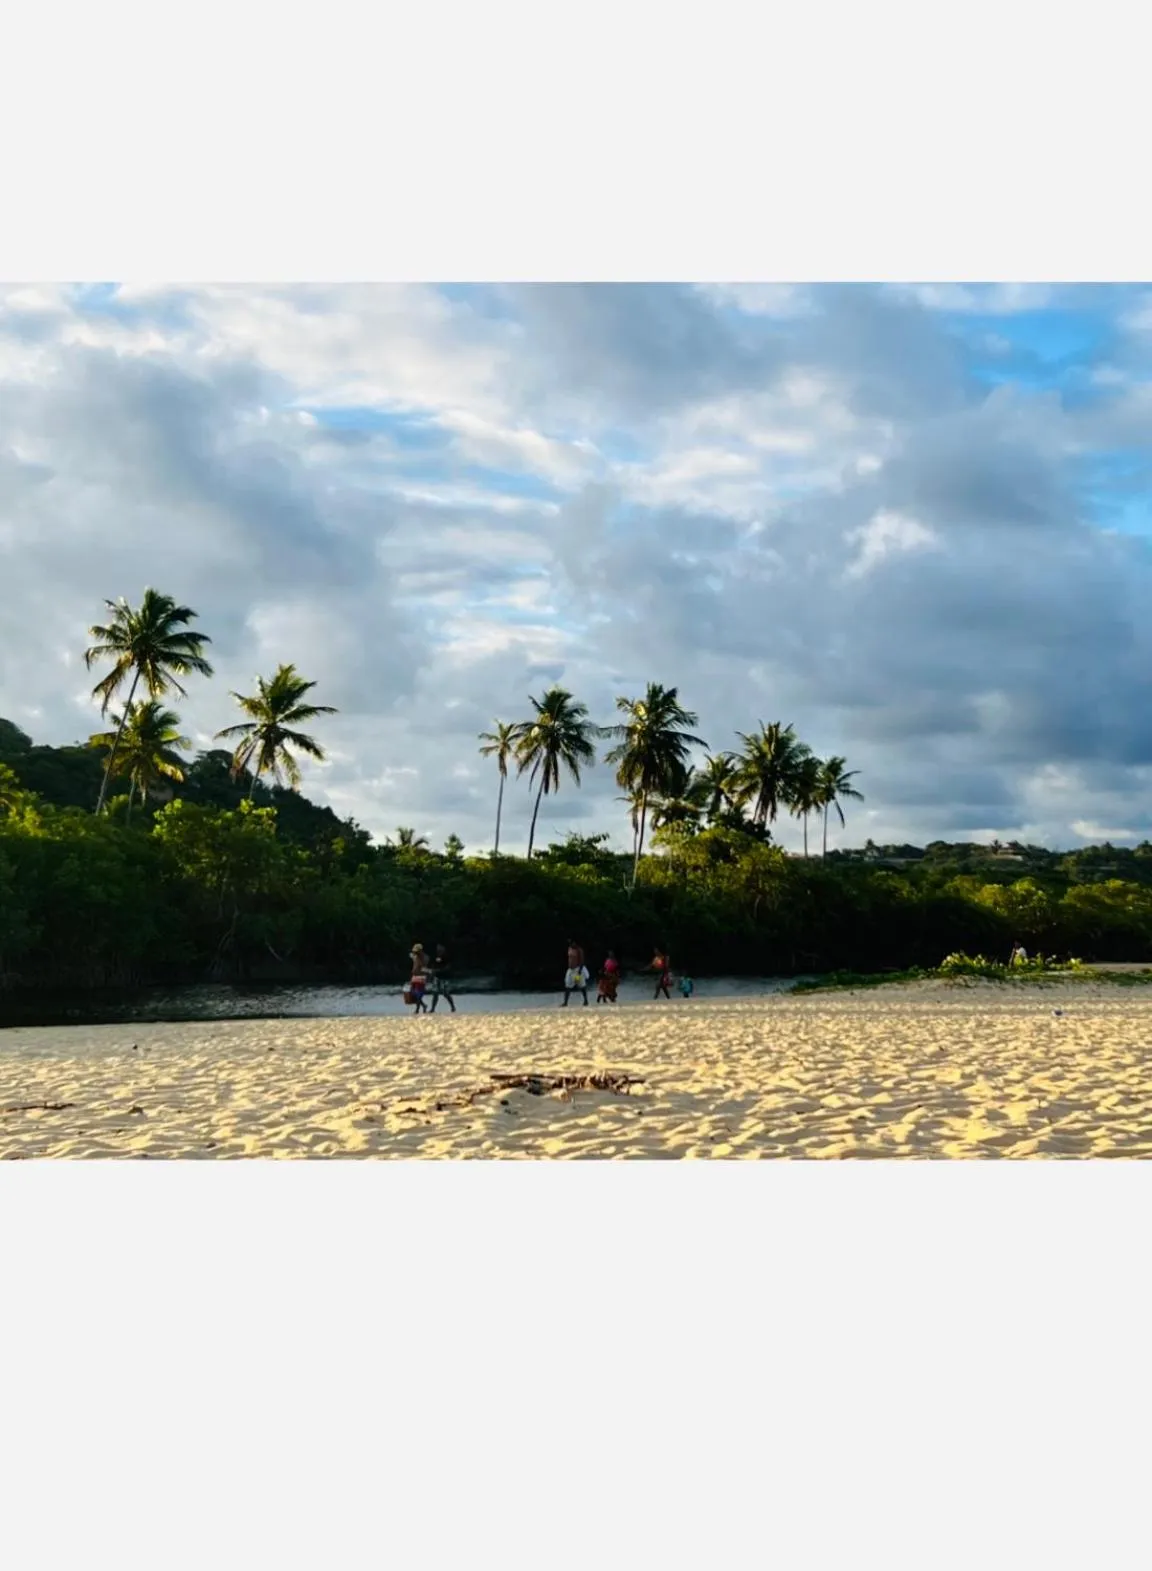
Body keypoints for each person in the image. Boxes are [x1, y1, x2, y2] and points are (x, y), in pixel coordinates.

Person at [428, 942, 457, 1014]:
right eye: (438, 948)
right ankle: (432, 1009)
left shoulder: (446, 957)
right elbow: (433, 966)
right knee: (435, 993)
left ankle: (452, 1006)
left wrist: (440, 970)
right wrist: (432, 974)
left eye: (440, 948)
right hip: (437, 977)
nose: (438, 949)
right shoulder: (436, 957)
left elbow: (448, 967)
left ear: (443, 949)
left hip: (444, 977)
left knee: (445, 993)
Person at [562, 939, 590, 1006]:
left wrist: (579, 972)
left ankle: (586, 1000)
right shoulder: (569, 948)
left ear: (575, 943)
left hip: (577, 970)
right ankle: (565, 1002)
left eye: (572, 943)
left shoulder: (579, 950)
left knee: (582, 986)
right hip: (570, 970)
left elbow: (582, 961)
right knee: (567, 986)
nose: (571, 945)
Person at [406, 942, 429, 1014]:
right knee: (413, 993)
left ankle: (417, 1009)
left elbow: (423, 968)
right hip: (414, 976)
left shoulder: (425, 957)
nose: (415, 952)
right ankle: (423, 1005)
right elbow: (411, 955)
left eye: (417, 951)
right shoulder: (415, 956)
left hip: (421, 977)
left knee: (418, 993)